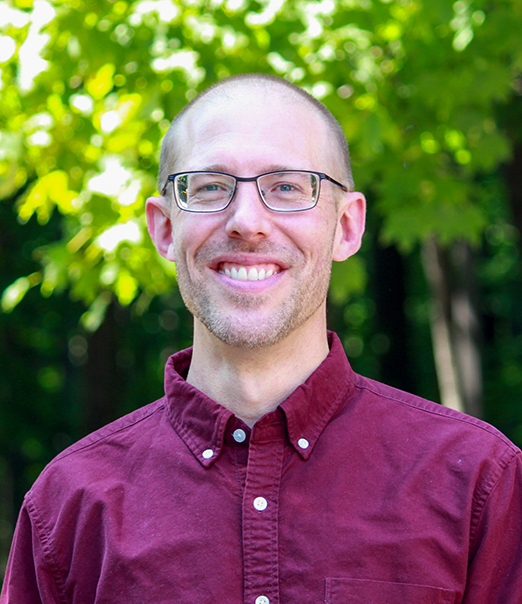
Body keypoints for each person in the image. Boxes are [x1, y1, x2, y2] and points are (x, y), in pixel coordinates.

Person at [1, 73, 521, 604]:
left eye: (288, 187)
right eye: (209, 187)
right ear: (163, 228)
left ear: (347, 226)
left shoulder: (479, 483)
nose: (247, 222)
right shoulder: (68, 504)